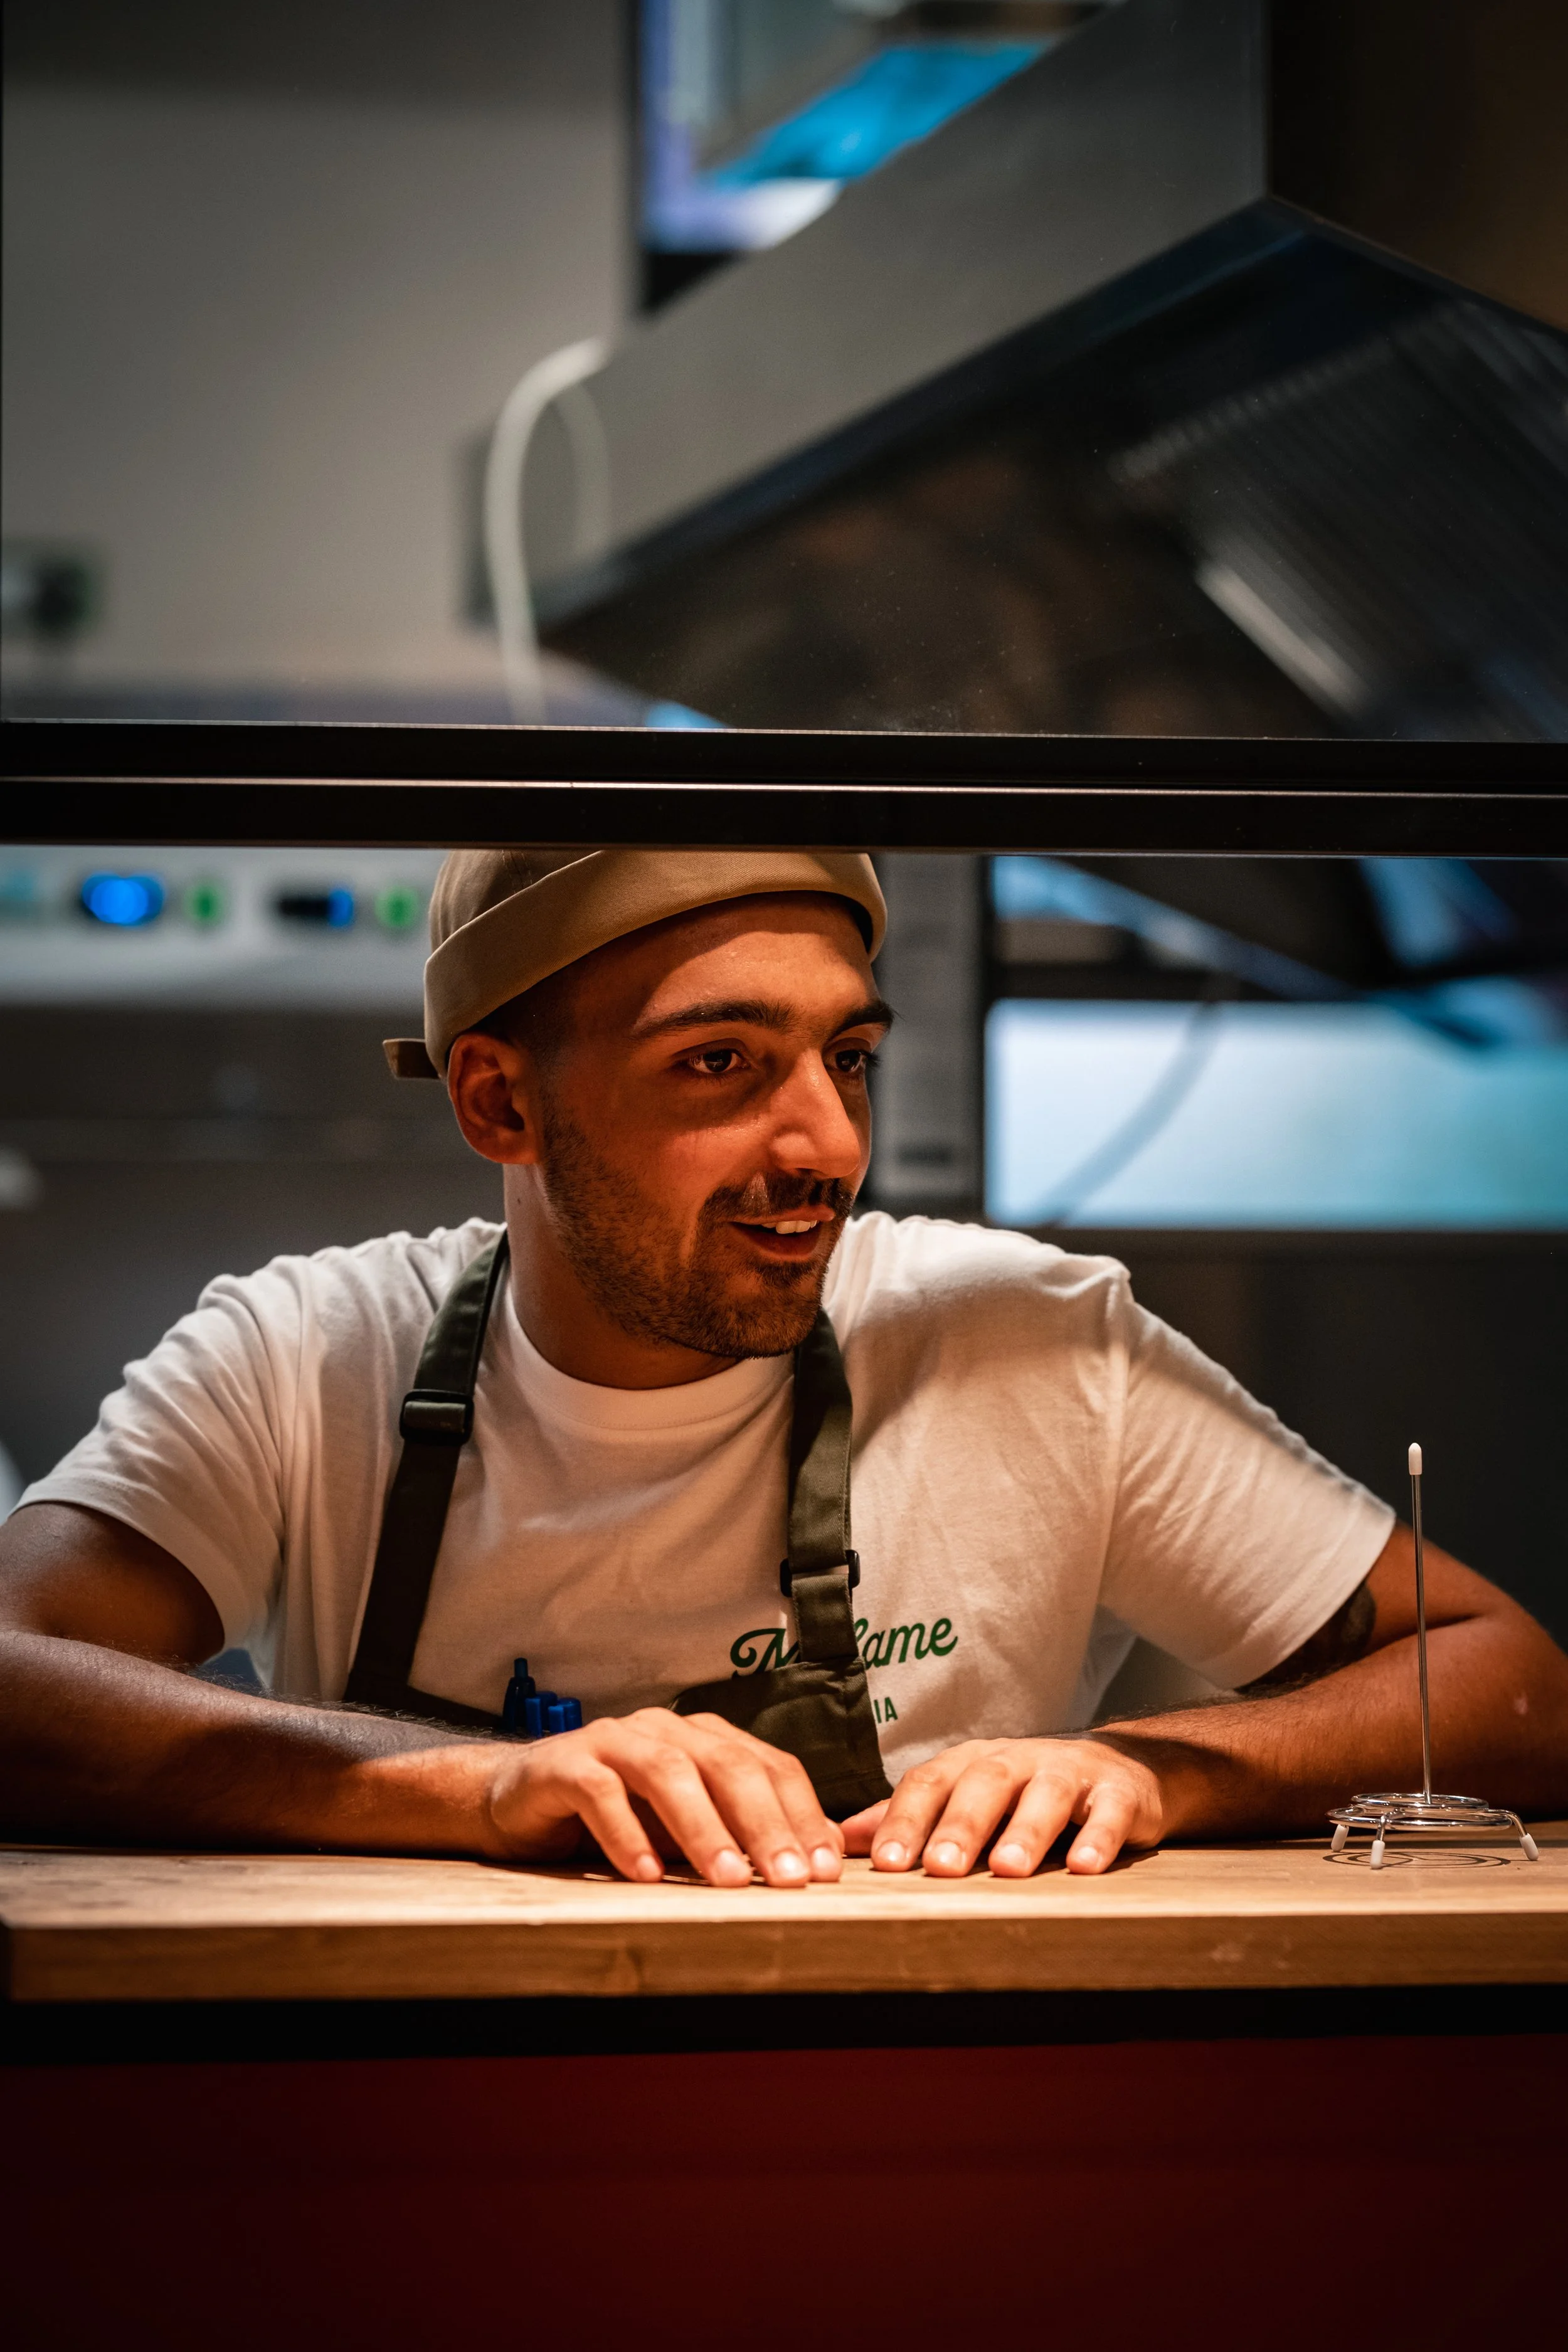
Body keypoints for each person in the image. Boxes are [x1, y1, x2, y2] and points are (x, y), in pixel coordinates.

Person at [3, 849, 1564, 1889]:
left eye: (847, 1057)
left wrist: (1162, 1773)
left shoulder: (1021, 1338)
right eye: (720, 1064)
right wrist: (457, 1792)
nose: (825, 1143)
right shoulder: (303, 1356)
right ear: (497, 1103)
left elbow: (1512, 1685)